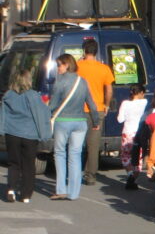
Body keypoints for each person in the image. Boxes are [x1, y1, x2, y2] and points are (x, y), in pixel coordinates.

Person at [48, 55, 99, 201]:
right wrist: (96, 121)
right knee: (75, 155)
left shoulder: (60, 82)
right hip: (80, 122)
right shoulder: (82, 81)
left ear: (66, 65)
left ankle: (61, 189)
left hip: (63, 121)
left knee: (60, 153)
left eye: (59, 65)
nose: (58, 68)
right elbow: (91, 104)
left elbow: (53, 105)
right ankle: (74, 193)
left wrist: (45, 114)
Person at [0, 67, 51, 203]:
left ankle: (11, 189)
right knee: (28, 165)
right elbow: (41, 114)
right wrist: (44, 134)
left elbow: (3, 114)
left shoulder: (8, 95)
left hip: (12, 133)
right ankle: (25, 195)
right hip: (30, 135)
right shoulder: (33, 95)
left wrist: (2, 129)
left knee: (13, 163)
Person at [75, 38, 114, 186]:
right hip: (97, 109)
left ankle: (73, 173)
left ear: (84, 51)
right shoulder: (104, 69)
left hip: (79, 109)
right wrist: (106, 105)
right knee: (93, 145)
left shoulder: (78, 66)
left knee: (76, 143)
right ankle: (90, 176)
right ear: (96, 52)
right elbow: (109, 90)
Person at [117, 83, 148, 190]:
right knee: (138, 157)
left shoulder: (125, 103)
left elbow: (120, 119)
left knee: (126, 156)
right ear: (141, 93)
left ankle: (130, 174)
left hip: (127, 132)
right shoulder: (144, 102)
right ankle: (134, 179)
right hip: (139, 132)